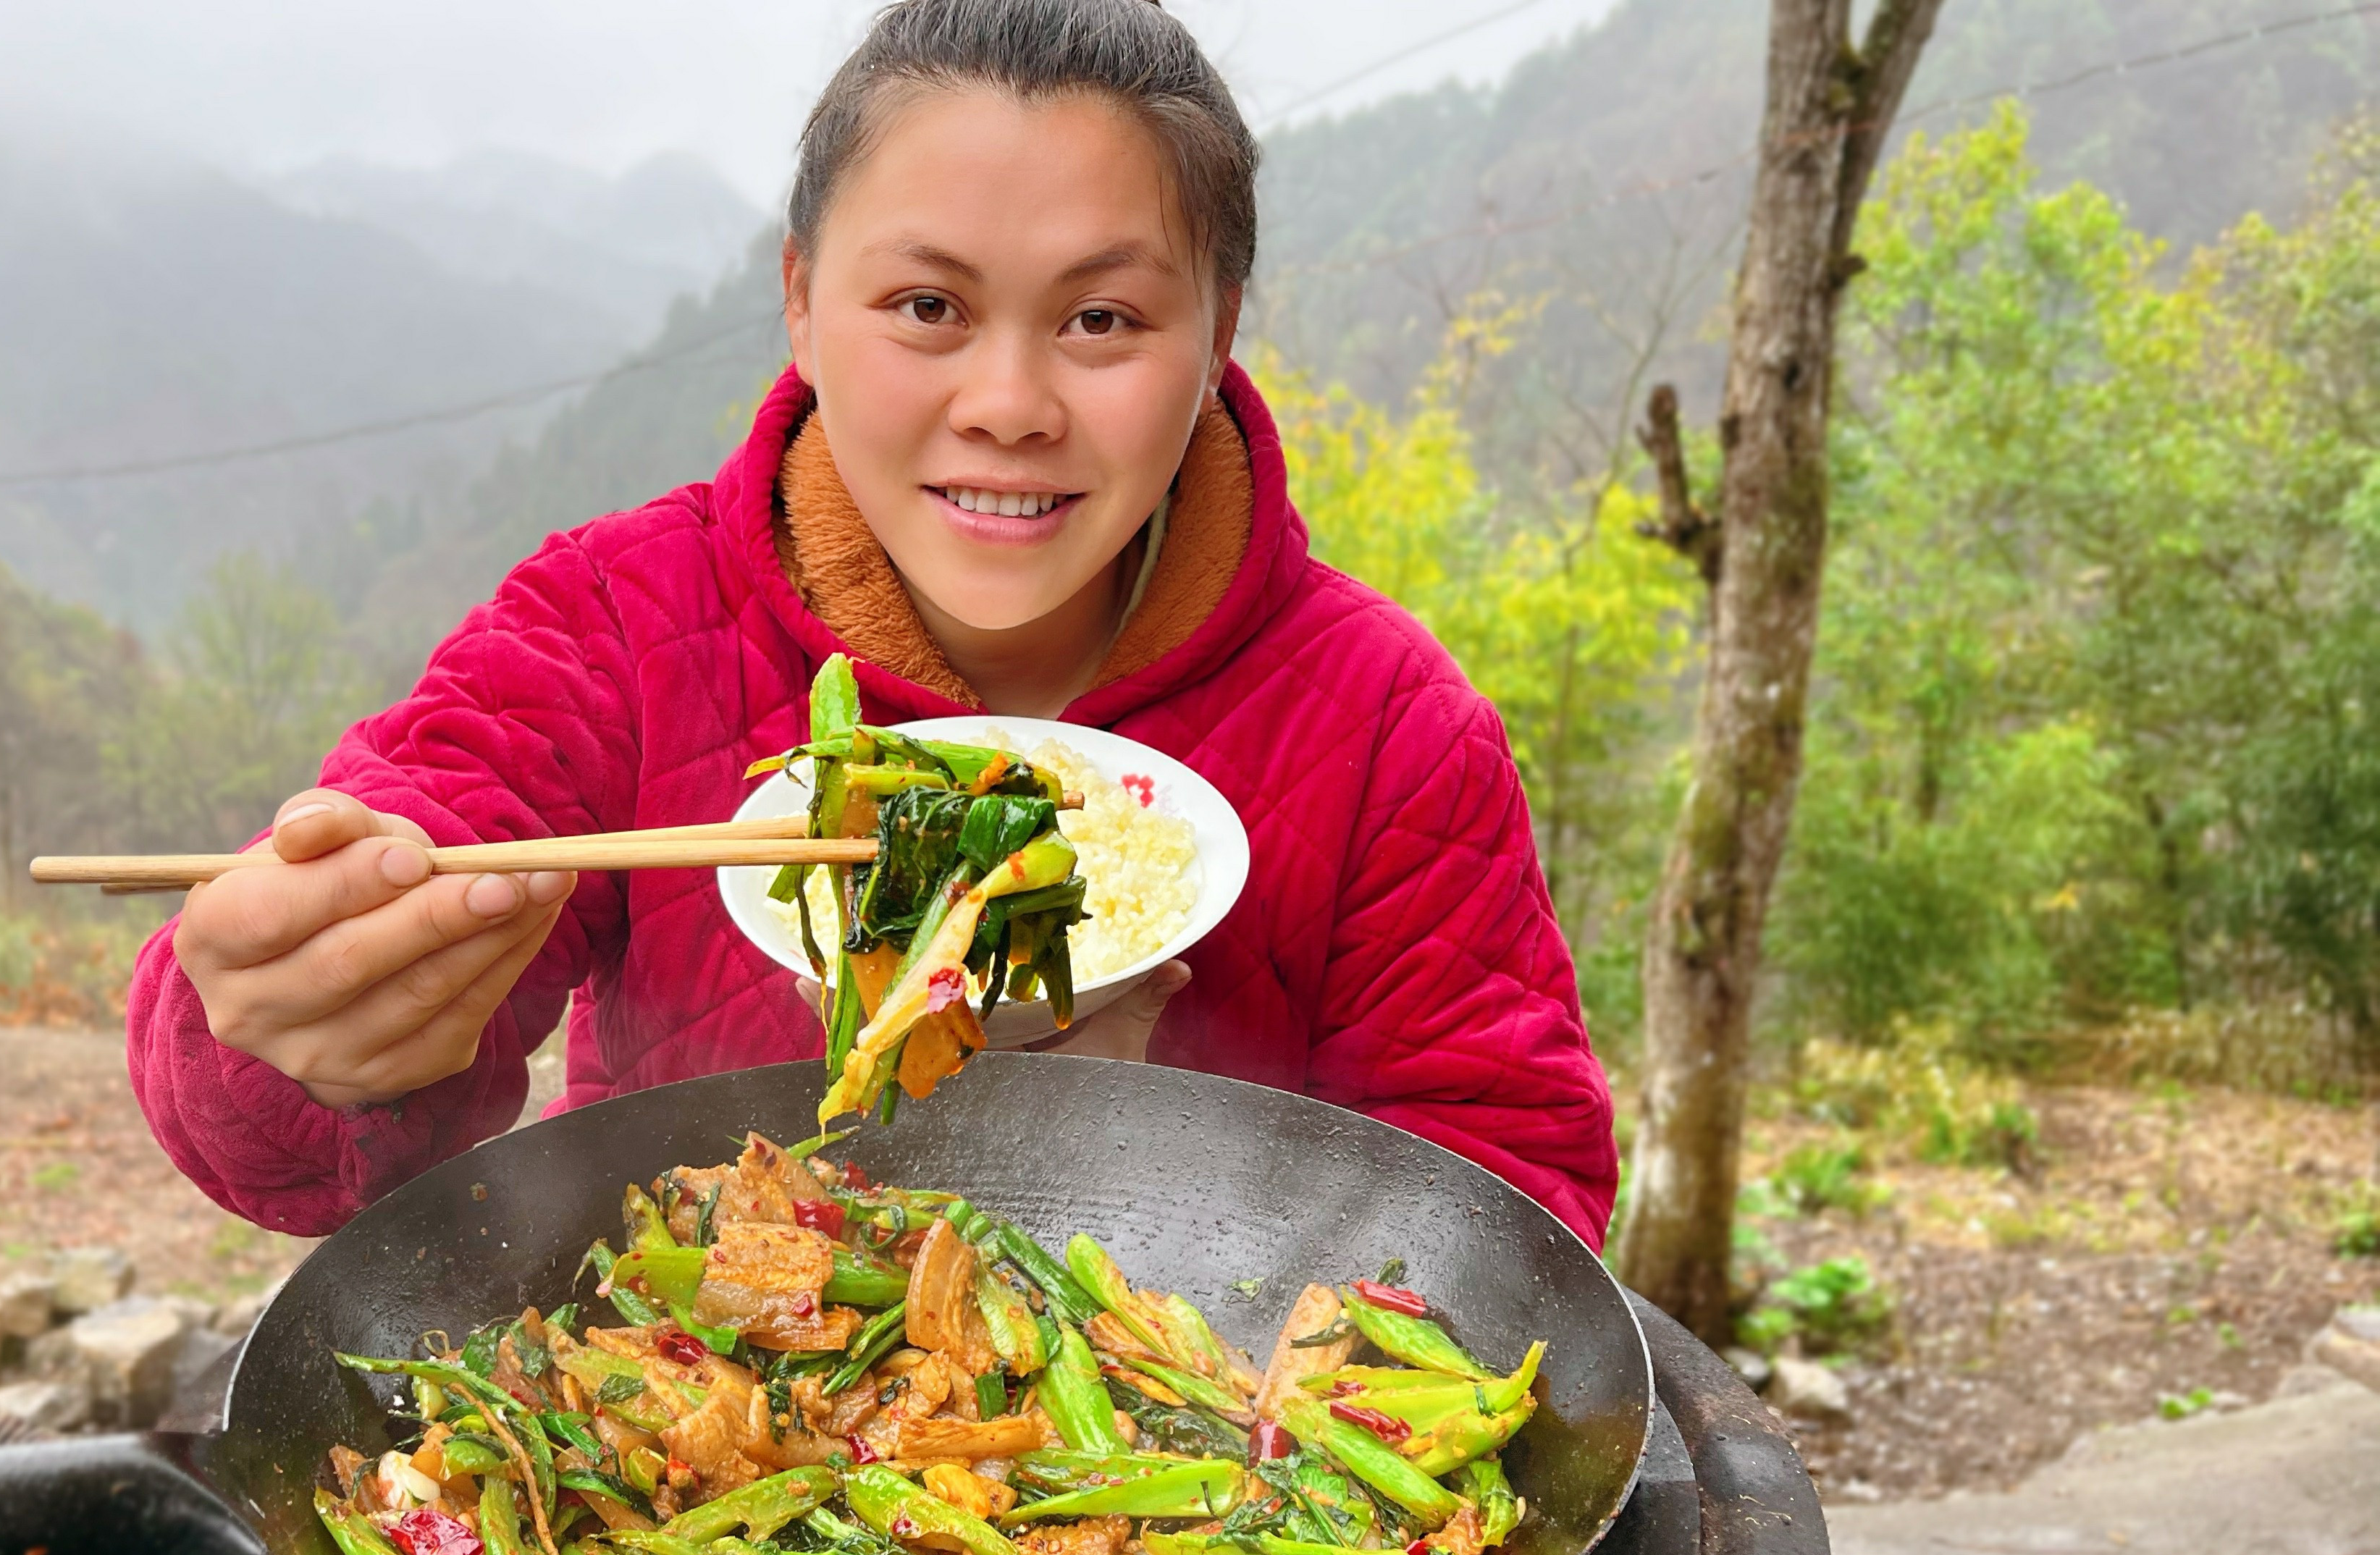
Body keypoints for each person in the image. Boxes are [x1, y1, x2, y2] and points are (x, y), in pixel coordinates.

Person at [129, 0, 1618, 1247]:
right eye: (925, 306)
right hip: (679, 1434)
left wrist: (1172, 1156)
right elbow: (330, 1006)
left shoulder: (1382, 721)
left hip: (1204, 1492)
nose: (1010, 407)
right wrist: (287, 1033)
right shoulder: (618, 625)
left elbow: (1518, 1189)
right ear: (797, 301)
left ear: (1218, 332)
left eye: (1102, 321)